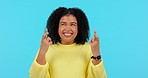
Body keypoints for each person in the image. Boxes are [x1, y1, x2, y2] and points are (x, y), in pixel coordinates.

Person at [29, 7, 107, 78]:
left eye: (73, 25)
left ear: (79, 28)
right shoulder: (46, 49)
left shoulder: (88, 49)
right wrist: (42, 51)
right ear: (57, 27)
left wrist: (96, 52)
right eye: (63, 24)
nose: (68, 28)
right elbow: (35, 76)